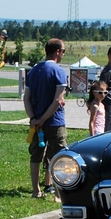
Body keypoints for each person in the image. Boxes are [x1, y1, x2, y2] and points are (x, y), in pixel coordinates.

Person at [24, 38, 68, 198]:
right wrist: (43, 119)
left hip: (36, 123)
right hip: (55, 121)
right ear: (57, 52)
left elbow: (26, 98)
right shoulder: (59, 71)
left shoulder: (34, 70)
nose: (63, 54)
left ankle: (36, 191)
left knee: (36, 155)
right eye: (63, 51)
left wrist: (34, 118)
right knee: (60, 156)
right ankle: (59, 193)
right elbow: (58, 100)